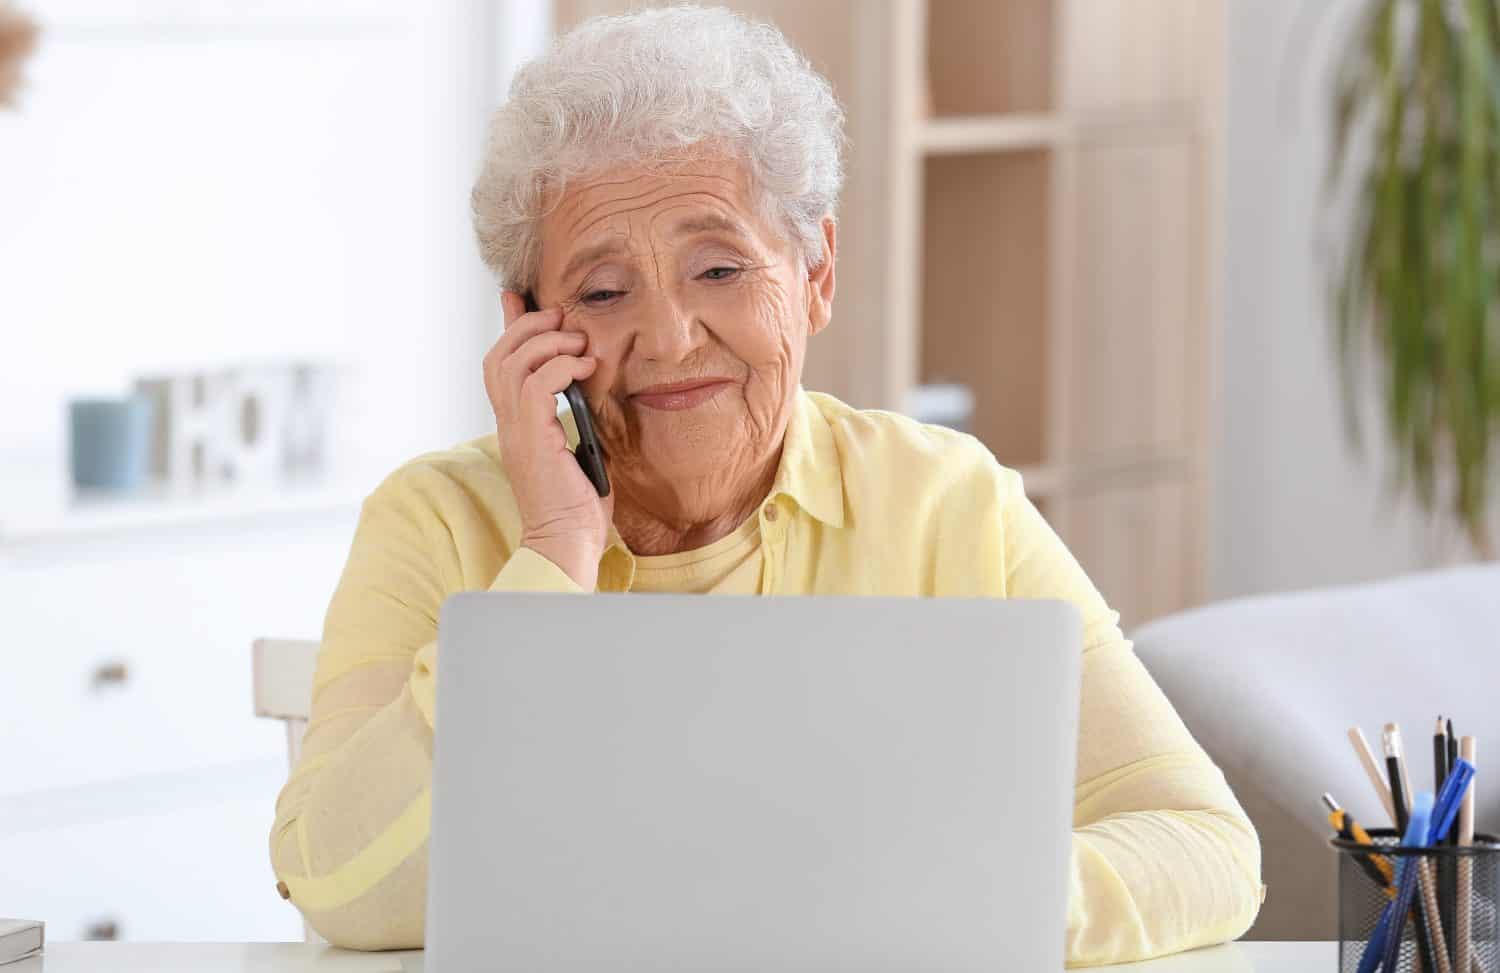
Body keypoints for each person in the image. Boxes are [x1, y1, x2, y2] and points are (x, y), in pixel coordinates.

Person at [269, 5, 1264, 965]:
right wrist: (554, 549)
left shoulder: (946, 501)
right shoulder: (436, 518)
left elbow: (1203, 845)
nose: (667, 338)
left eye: (719, 270)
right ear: (526, 323)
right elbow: (340, 885)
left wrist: (940, 914)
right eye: (605, 291)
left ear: (816, 271)